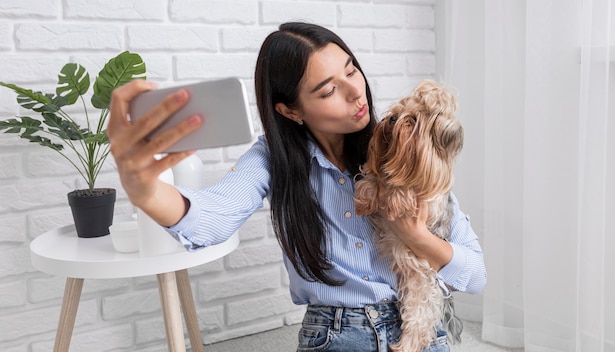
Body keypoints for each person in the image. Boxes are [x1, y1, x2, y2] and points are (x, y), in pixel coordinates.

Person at [107, 22, 486, 352]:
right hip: (338, 333)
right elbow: (211, 219)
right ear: (290, 110)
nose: (356, 93)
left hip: (421, 328)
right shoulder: (274, 159)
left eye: (351, 71)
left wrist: (417, 237)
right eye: (327, 91)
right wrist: (144, 189)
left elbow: (475, 275)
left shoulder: (402, 145)